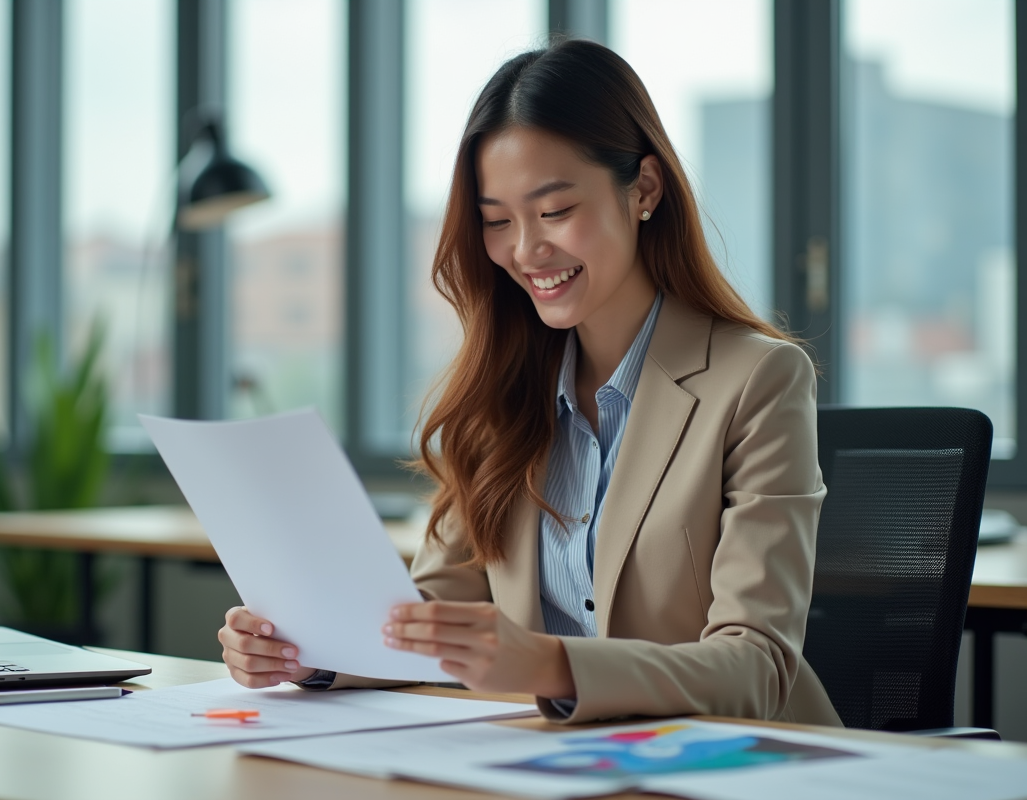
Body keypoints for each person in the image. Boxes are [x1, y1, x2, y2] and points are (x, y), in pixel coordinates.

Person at [217, 38, 843, 727]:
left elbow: (755, 665)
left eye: (554, 212)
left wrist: (549, 665)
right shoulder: (500, 395)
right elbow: (429, 617)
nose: (525, 250)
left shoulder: (756, 379)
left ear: (645, 190)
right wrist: (313, 651)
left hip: (735, 766)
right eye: (496, 222)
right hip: (554, 762)